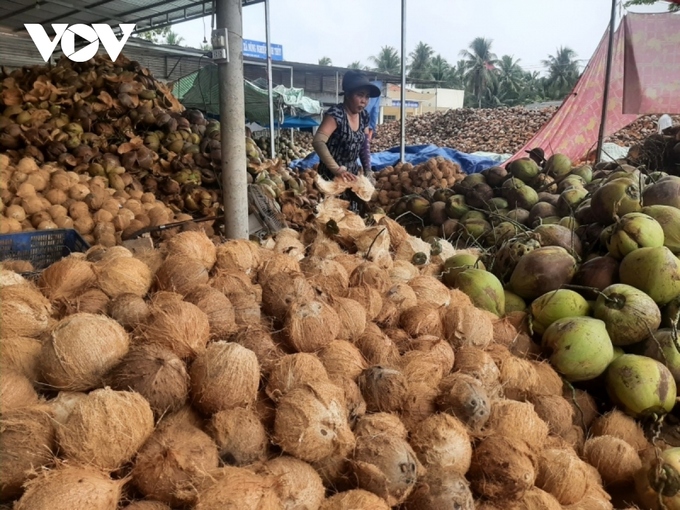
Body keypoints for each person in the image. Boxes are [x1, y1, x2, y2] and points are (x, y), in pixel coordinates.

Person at [312, 71, 380, 212]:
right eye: (360, 95)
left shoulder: (364, 116)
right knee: (333, 215)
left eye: (367, 97)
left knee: (352, 215)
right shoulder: (336, 114)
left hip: (352, 174)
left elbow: (364, 144)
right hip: (332, 175)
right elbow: (318, 142)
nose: (364, 101)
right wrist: (336, 169)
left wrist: (368, 170)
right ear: (348, 94)